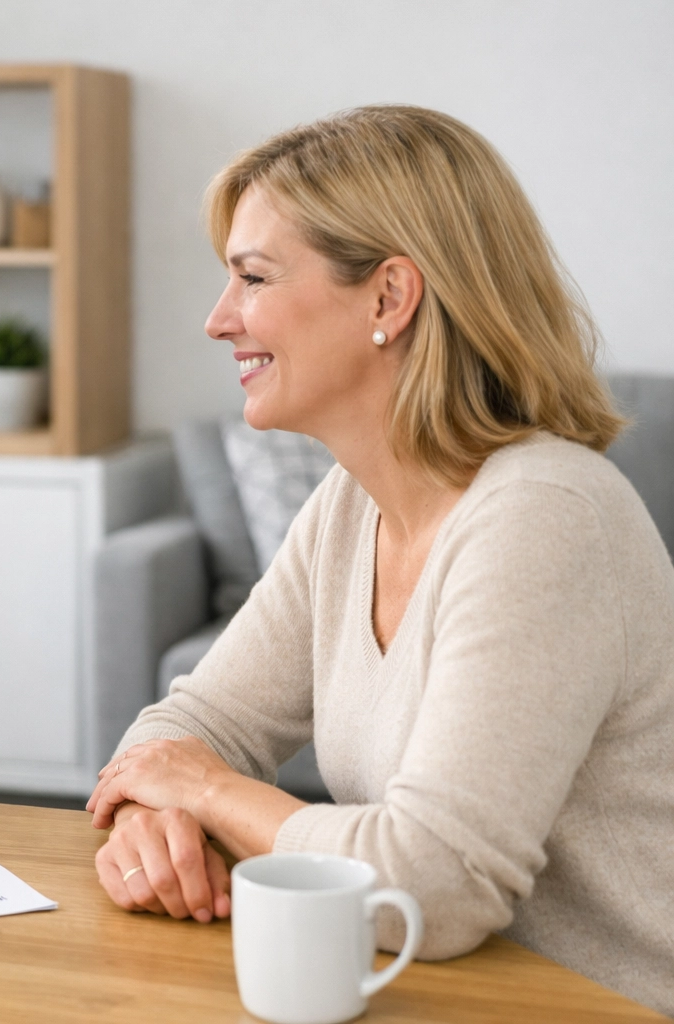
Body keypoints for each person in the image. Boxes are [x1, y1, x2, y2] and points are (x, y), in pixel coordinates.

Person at [87, 105, 674, 1013]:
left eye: (252, 277)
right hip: (428, 994)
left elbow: (432, 885)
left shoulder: (545, 518)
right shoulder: (351, 506)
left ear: (390, 299)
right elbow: (193, 721)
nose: (217, 320)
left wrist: (204, 791)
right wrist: (150, 817)